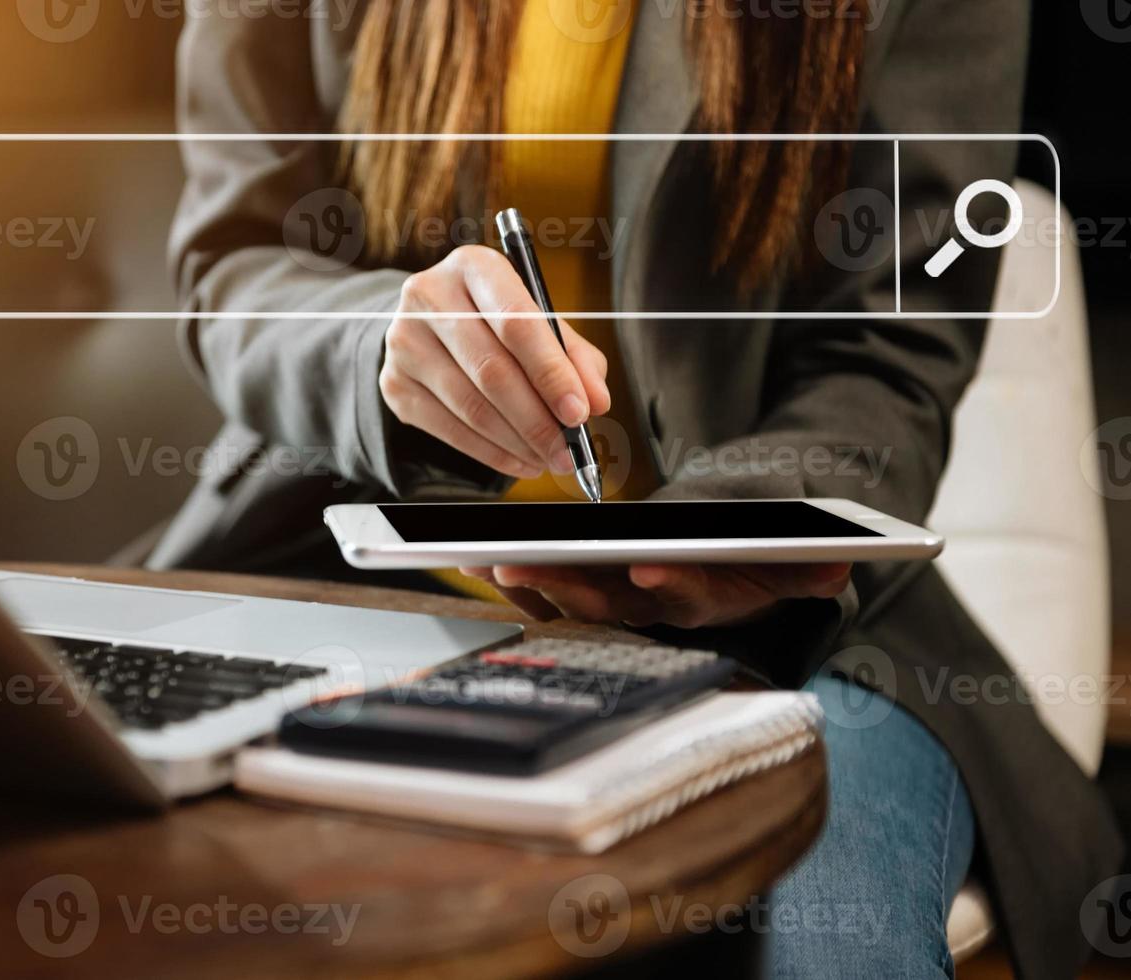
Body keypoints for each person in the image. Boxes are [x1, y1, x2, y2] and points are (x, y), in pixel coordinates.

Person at [154, 1, 1123, 975]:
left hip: (804, 635)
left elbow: (888, 351)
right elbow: (230, 263)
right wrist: (378, 349)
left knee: (825, 946)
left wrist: (727, 528)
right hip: (350, 589)